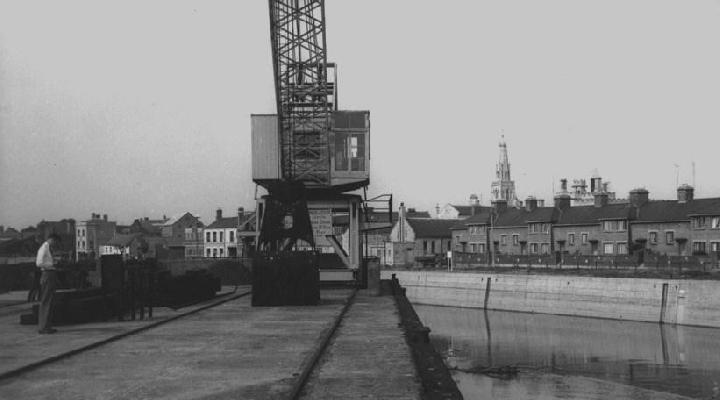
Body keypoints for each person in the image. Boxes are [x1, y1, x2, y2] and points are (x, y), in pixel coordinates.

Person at [36, 234, 61, 334]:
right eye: (55, 242)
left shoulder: (48, 248)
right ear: (52, 239)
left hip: (50, 273)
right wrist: (52, 264)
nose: (55, 244)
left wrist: (54, 262)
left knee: (49, 300)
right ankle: (43, 327)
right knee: (46, 301)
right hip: (47, 274)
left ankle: (47, 326)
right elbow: (39, 263)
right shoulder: (44, 248)